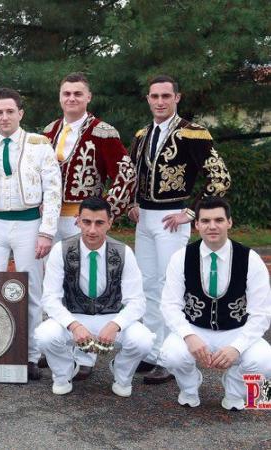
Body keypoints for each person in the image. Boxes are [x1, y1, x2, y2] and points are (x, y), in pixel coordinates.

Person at [128, 75, 231, 384]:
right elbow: (133, 174)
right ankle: (153, 351)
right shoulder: (142, 133)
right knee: (147, 285)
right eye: (154, 96)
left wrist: (191, 213)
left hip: (172, 217)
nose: (160, 101)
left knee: (171, 286)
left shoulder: (193, 132)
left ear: (177, 98)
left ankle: (173, 357)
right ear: (148, 99)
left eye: (165, 96)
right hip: (144, 217)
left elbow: (220, 178)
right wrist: (132, 202)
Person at [42, 72, 137, 380]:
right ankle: (59, 345)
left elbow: (125, 173)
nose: (71, 98)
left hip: (82, 222)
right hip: (49, 219)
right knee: (53, 282)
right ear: (60, 96)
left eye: (77, 93)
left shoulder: (102, 132)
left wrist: (105, 212)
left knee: (85, 282)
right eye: (66, 93)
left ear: (88, 98)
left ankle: (85, 357)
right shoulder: (49, 131)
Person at [0, 87, 61, 380]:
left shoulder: (39, 144)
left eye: (10, 111)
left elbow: (54, 191)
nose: (4, 117)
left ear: (20, 113)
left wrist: (47, 232)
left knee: (31, 290)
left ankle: (30, 355)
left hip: (29, 222)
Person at [159, 196, 271, 410]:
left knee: (266, 361)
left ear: (229, 222)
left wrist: (236, 348)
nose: (212, 226)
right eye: (206, 220)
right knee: (170, 354)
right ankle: (190, 387)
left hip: (236, 330)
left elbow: (262, 314)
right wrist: (189, 336)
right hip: (195, 328)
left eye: (219, 220)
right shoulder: (180, 257)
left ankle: (235, 389)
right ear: (197, 224)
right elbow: (169, 305)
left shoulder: (251, 258)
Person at [36, 196, 154, 396]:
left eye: (99, 223)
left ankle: (122, 373)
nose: (92, 230)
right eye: (87, 222)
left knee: (143, 340)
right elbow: (50, 298)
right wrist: (74, 325)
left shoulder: (124, 252)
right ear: (77, 221)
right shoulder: (61, 250)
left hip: (111, 317)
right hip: (74, 316)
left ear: (110, 223)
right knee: (44, 336)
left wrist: (115, 324)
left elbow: (137, 302)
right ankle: (64, 372)